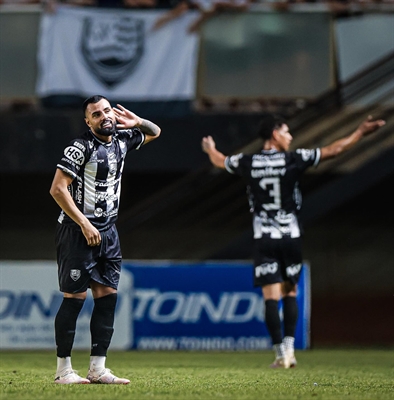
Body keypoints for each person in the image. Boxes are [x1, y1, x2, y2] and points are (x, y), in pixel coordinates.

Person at [201, 114, 385, 368]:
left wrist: (211, 149)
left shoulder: (248, 161)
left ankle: (280, 354)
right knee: (290, 291)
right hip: (290, 237)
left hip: (264, 238)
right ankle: (290, 350)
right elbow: (333, 150)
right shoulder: (292, 159)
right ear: (275, 134)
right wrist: (359, 133)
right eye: (286, 132)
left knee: (270, 297)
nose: (290, 137)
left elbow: (220, 161)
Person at [49, 95, 161, 384]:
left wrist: (137, 122)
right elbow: (58, 189)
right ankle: (63, 371)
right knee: (74, 298)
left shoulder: (123, 140)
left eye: (107, 110)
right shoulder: (80, 147)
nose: (104, 117)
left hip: (109, 231)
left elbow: (155, 132)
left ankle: (97, 369)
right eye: (96, 114)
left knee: (107, 298)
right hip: (78, 231)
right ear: (88, 121)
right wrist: (84, 224)